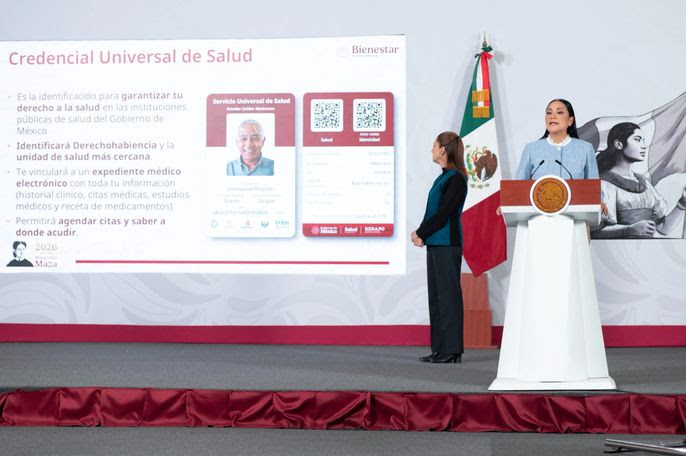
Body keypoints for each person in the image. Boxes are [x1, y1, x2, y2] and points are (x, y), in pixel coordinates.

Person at [411, 131, 468, 364]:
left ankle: (452, 350)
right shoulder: (443, 178)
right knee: (436, 298)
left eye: (434, 146)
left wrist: (421, 232)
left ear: (443, 150)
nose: (432, 150)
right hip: (436, 243)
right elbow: (433, 212)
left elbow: (444, 213)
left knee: (448, 297)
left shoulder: (456, 179)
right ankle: (440, 348)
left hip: (447, 244)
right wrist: (423, 234)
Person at [592, 122, 686, 238]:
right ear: (619, 144)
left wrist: (682, 203)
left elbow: (663, 228)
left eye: (643, 141)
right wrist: (628, 230)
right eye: (637, 140)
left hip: (646, 248)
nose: (643, 146)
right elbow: (594, 232)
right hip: (616, 248)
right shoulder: (603, 184)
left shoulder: (644, 183)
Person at [515, 99, 599, 180]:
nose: (552, 116)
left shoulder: (585, 149)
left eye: (559, 112)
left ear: (570, 120)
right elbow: (518, 186)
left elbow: (593, 187)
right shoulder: (531, 149)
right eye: (549, 113)